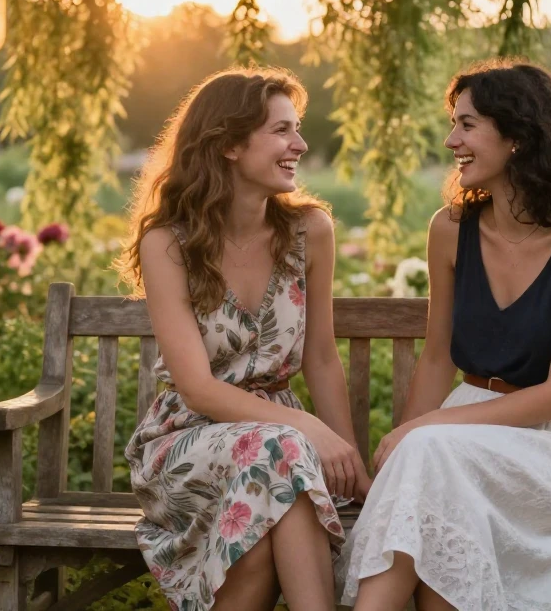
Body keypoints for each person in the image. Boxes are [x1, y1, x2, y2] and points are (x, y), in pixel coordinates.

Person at [337, 59, 551, 611]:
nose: (451, 140)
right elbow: (439, 354)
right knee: (430, 481)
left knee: (431, 459)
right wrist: (411, 437)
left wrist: (427, 429)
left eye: (467, 125)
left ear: (517, 135)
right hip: (461, 435)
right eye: (454, 124)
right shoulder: (450, 231)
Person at [119, 68, 371, 611]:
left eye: (297, 129)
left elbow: (322, 359)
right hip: (186, 440)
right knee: (282, 453)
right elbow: (199, 389)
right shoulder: (169, 243)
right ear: (230, 143)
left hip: (278, 448)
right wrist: (308, 428)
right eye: (282, 130)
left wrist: (348, 463)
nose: (299, 145)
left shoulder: (310, 233)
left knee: (257, 535)